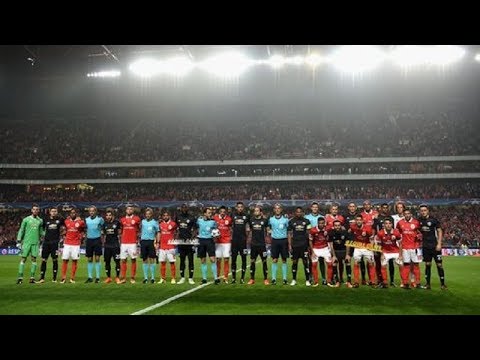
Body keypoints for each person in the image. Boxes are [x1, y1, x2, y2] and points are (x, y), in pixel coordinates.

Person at [418, 205, 447, 290]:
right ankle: (427, 284)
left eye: (424, 210)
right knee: (427, 265)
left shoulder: (433, 220)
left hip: (435, 246)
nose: (423, 212)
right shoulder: (419, 220)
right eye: (421, 211)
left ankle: (442, 284)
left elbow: (439, 231)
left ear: (428, 211)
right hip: (425, 246)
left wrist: (439, 244)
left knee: (439, 265)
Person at [16, 204, 44, 284]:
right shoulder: (26, 219)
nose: (35, 211)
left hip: (35, 243)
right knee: (23, 259)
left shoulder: (40, 221)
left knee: (34, 259)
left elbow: (41, 232)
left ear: (38, 211)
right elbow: (21, 230)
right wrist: (18, 240)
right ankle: (20, 278)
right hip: (26, 243)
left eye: (37, 209)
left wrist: (49, 234)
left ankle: (32, 278)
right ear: (31, 210)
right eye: (34, 209)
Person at [346, 214, 375, 287]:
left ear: (362, 221)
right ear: (355, 221)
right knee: (356, 263)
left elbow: (371, 239)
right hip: (357, 247)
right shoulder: (353, 227)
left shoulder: (368, 228)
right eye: (357, 220)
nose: (358, 221)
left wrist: (372, 249)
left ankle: (373, 281)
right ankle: (356, 282)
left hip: (367, 247)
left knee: (371, 263)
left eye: (360, 220)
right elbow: (350, 231)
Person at [37, 207, 64, 283]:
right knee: (44, 260)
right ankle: (42, 278)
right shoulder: (45, 219)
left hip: (55, 243)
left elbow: (67, 224)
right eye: (52, 211)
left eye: (55, 211)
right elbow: (41, 229)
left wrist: (62, 234)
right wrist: (42, 235)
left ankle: (54, 278)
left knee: (55, 260)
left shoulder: (60, 219)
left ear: (57, 212)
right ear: (50, 212)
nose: (54, 212)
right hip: (46, 243)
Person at [396, 208, 422, 289]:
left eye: (408, 213)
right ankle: (405, 283)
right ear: (403, 214)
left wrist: (419, 236)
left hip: (414, 247)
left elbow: (420, 232)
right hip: (405, 248)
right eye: (405, 214)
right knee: (406, 265)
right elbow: (398, 232)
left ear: (411, 214)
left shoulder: (416, 222)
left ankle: (417, 283)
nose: (407, 215)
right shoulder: (400, 223)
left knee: (416, 265)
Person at [60, 208, 86, 284]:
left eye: (74, 213)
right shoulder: (66, 221)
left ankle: (72, 278)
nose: (73, 214)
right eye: (71, 213)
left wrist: (81, 237)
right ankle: (63, 278)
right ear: (69, 214)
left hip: (76, 244)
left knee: (74, 260)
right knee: (65, 260)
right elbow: (63, 229)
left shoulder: (80, 222)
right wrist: (64, 234)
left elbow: (83, 229)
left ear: (76, 214)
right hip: (67, 243)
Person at [288, 207, 312, 286]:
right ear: (295, 212)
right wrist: (290, 245)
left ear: (302, 212)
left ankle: (307, 280)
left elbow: (309, 233)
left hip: (304, 245)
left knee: (305, 263)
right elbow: (289, 234)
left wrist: (308, 245)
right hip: (295, 245)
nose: (299, 213)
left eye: (300, 212)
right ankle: (294, 280)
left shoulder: (307, 221)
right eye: (297, 212)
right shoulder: (291, 221)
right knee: (294, 262)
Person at [375, 217, 402, 288]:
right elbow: (379, 245)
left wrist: (400, 255)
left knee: (401, 265)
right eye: (386, 223)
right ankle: (385, 282)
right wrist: (382, 254)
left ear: (392, 224)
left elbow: (400, 244)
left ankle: (404, 282)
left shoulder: (396, 232)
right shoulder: (380, 233)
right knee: (383, 265)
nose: (388, 225)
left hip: (395, 251)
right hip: (385, 252)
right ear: (384, 225)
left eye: (390, 223)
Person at [267, 203, 289, 285]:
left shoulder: (286, 219)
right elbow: (268, 228)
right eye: (276, 208)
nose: (277, 210)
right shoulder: (271, 219)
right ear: (274, 210)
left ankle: (285, 279)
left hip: (283, 240)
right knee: (274, 260)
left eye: (278, 208)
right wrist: (269, 233)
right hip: (275, 241)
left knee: (284, 260)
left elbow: (288, 230)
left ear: (281, 209)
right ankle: (273, 279)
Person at [175, 204, 197, 284]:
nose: (184, 209)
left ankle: (191, 278)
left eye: (185, 207)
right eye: (183, 207)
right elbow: (176, 228)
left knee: (191, 260)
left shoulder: (191, 217)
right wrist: (176, 236)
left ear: (188, 208)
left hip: (189, 242)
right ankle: (182, 277)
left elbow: (195, 229)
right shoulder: (178, 217)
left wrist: (192, 237)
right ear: (181, 208)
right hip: (181, 242)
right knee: (182, 260)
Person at [119, 205, 141, 284]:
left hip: (132, 243)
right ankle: (123, 278)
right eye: (128, 209)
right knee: (123, 260)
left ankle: (132, 277)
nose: (129, 210)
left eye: (131, 209)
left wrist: (137, 238)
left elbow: (139, 229)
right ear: (126, 210)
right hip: (124, 243)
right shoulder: (122, 220)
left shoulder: (137, 219)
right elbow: (120, 230)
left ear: (133, 210)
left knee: (133, 259)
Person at [197, 208, 219, 284]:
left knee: (212, 259)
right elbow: (195, 227)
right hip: (201, 241)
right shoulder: (199, 221)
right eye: (209, 213)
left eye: (211, 213)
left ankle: (216, 278)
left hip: (210, 241)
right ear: (204, 214)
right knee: (203, 260)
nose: (210, 214)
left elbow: (216, 231)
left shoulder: (213, 222)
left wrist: (216, 236)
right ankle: (204, 279)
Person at [247, 206, 269, 285]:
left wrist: (267, 239)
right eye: (255, 211)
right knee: (252, 261)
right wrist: (249, 239)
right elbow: (249, 230)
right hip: (253, 245)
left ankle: (266, 279)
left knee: (264, 261)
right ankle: (252, 279)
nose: (256, 212)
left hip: (262, 245)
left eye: (257, 211)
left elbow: (267, 231)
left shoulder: (265, 220)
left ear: (260, 212)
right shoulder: (251, 220)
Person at [309, 217, 333, 287]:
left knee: (330, 264)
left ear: (324, 223)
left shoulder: (328, 229)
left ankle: (329, 281)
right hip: (316, 249)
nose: (321, 225)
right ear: (317, 223)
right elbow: (310, 241)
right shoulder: (313, 230)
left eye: (323, 223)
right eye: (320, 223)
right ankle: (316, 282)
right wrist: (312, 252)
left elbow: (333, 229)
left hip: (325, 248)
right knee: (314, 265)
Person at [328, 219, 352, 287]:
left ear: (341, 226)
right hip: (336, 251)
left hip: (344, 251)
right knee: (334, 263)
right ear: (333, 226)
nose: (337, 227)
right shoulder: (331, 233)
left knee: (348, 262)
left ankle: (349, 282)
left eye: (338, 225)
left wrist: (347, 255)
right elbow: (331, 245)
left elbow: (348, 244)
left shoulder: (345, 233)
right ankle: (337, 282)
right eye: (335, 226)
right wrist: (333, 256)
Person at [305, 202, 325, 284]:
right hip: (310, 241)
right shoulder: (307, 217)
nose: (315, 208)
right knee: (311, 260)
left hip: (320, 241)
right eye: (313, 207)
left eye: (316, 207)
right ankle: (311, 276)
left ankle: (323, 277)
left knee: (321, 260)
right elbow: (306, 230)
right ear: (311, 208)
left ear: (318, 208)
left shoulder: (322, 217)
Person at [231, 202, 250, 284]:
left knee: (244, 259)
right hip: (234, 241)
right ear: (236, 207)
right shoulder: (232, 215)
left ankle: (242, 278)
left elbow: (250, 226)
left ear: (243, 208)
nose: (240, 208)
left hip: (243, 242)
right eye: (238, 207)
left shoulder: (247, 216)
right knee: (233, 260)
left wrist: (247, 236)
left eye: (241, 207)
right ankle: (233, 278)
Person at [85, 206, 105, 283]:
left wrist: (102, 234)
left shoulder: (100, 219)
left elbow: (104, 227)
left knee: (97, 259)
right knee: (89, 259)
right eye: (90, 211)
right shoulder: (86, 220)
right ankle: (90, 277)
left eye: (93, 211)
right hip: (89, 240)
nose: (91, 212)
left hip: (97, 239)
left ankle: (97, 277)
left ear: (95, 211)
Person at [213, 206, 233, 283]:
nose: (222, 213)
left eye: (224, 211)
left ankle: (225, 277)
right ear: (219, 212)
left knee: (226, 259)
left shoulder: (229, 219)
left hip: (227, 242)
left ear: (226, 212)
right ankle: (217, 276)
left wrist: (230, 235)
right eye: (221, 211)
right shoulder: (215, 218)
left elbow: (231, 227)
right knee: (218, 260)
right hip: (218, 242)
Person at [102, 208, 122, 284]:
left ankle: (117, 277)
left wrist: (120, 242)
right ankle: (108, 278)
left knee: (117, 262)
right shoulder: (104, 224)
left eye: (110, 215)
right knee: (107, 262)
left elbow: (120, 233)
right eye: (107, 215)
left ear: (112, 215)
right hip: (107, 246)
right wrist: (103, 243)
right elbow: (103, 235)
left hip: (115, 246)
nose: (108, 216)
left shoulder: (117, 223)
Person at [158, 210, 177, 284]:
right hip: (162, 246)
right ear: (163, 217)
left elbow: (176, 233)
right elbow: (159, 233)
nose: (165, 217)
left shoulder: (173, 224)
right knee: (162, 263)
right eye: (164, 215)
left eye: (167, 215)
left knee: (172, 262)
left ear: (169, 216)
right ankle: (163, 278)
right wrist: (157, 242)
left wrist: (174, 241)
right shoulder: (160, 224)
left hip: (170, 246)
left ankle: (173, 278)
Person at [140, 208, 159, 284]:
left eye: (149, 214)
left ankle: (153, 278)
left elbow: (158, 232)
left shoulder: (154, 222)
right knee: (144, 260)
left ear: (151, 214)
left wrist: (157, 242)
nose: (147, 215)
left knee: (152, 259)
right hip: (143, 242)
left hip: (151, 242)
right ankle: (145, 278)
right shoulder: (143, 221)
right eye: (146, 214)